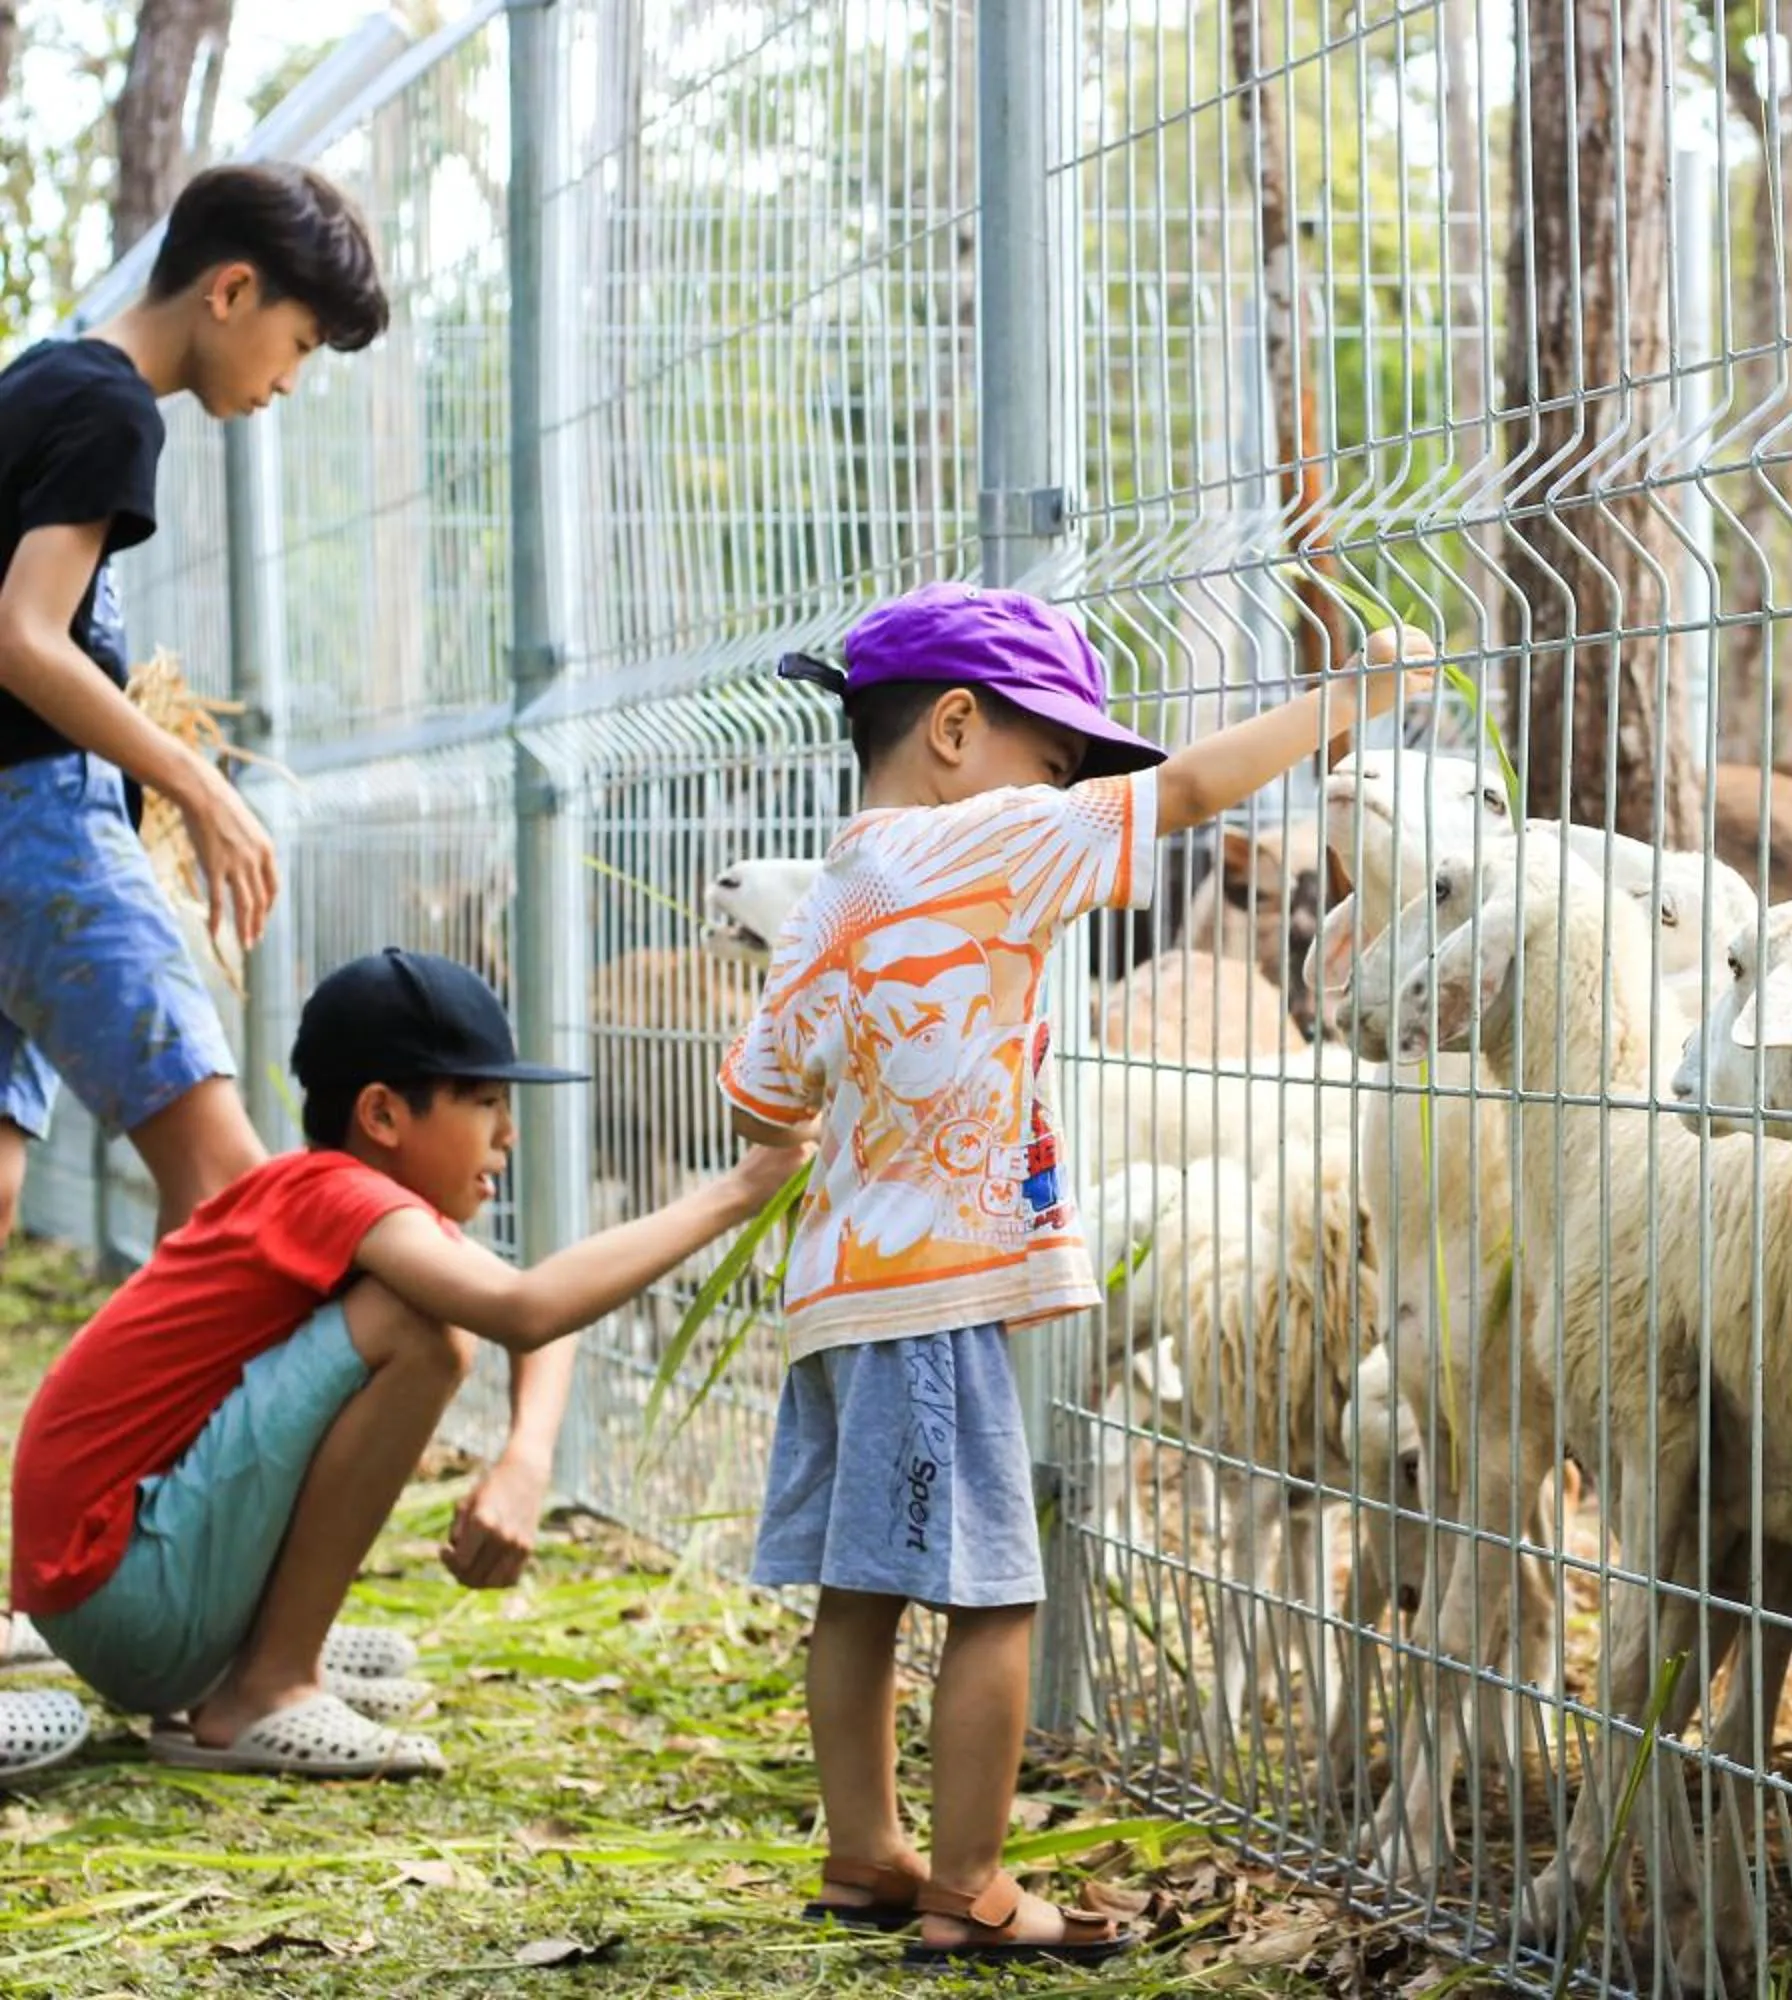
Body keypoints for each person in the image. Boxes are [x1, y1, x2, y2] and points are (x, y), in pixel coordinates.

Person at [724, 584, 1427, 1965]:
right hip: (938, 1301)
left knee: (860, 1588)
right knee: (995, 1593)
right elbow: (1191, 792)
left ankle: (864, 1849)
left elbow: (762, 1099)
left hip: (836, 1295)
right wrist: (1353, 700)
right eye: (1054, 763)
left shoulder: (834, 887)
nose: (1066, 795)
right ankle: (972, 1887)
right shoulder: (991, 838)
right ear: (955, 728)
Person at [3, 947, 807, 1777]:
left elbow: (541, 1312)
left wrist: (526, 1460)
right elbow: (527, 1309)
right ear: (383, 1115)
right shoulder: (337, 1197)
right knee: (421, 1332)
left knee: (427, 1318)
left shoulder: (340, 1201)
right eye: (486, 1103)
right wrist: (737, 1192)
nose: (508, 1135)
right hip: (120, 1591)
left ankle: (260, 1650)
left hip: (112, 1583)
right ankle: (267, 1687)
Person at [0, 161, 388, 1248]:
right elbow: (24, 636)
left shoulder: (38, 379)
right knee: (225, 1190)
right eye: (299, 343)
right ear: (230, 290)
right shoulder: (113, 404)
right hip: (38, 820)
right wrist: (200, 787)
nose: (289, 381)